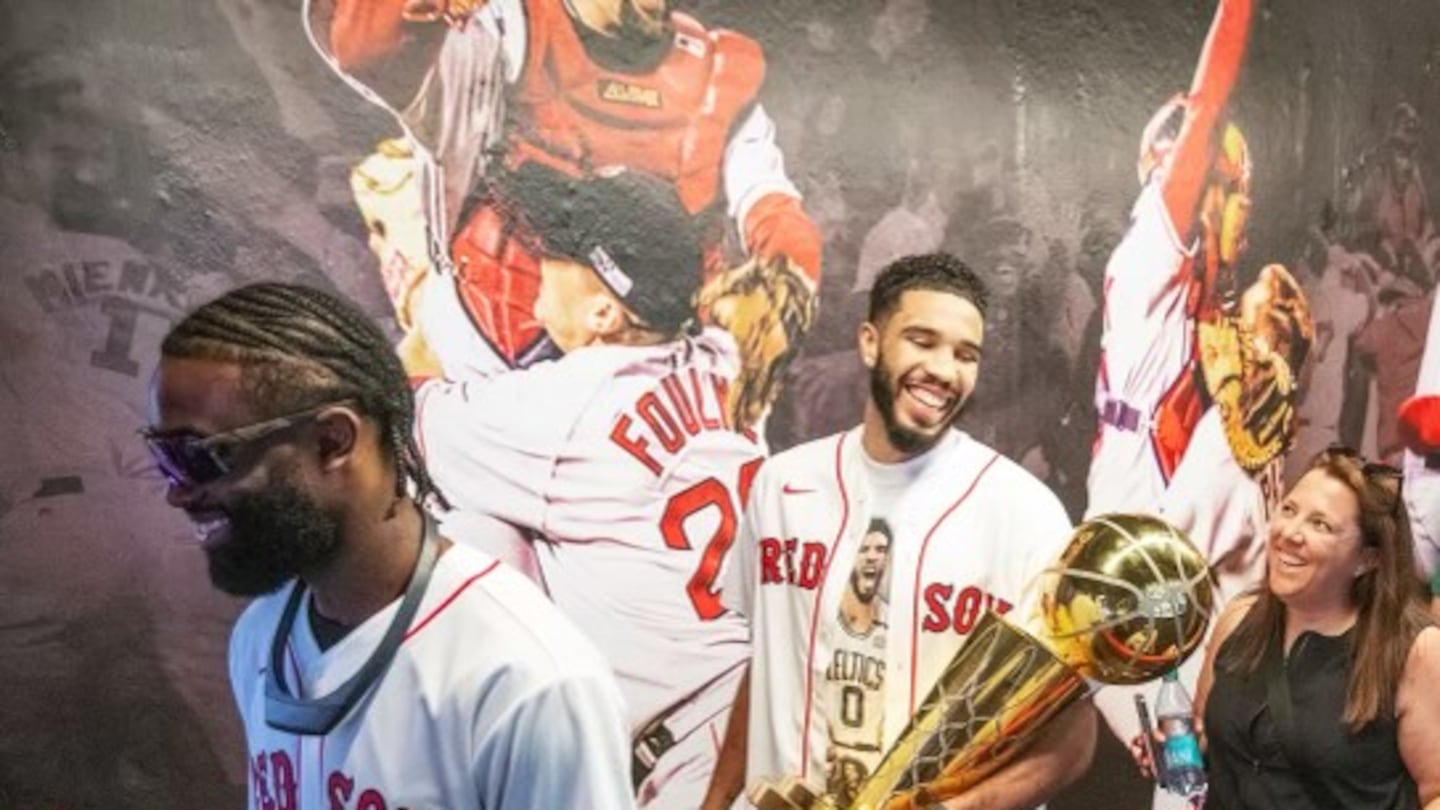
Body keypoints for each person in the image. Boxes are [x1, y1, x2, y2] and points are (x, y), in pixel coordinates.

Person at [145, 282, 635, 809]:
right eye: (162, 457)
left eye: (197, 457)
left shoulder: (527, 679)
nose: (177, 491)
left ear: (333, 442)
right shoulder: (261, 637)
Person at [411, 164, 759, 808]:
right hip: (753, 720)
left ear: (603, 309)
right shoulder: (718, 358)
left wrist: (417, 296)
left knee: (463, 534)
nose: (536, 257)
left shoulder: (567, 407)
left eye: (557, 251)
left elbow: (404, 415)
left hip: (695, 771)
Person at [305, 0, 821, 428]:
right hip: (488, 370)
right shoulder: (504, 32)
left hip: (647, 393)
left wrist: (784, 284)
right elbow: (365, 48)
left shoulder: (718, 74)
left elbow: (772, 204)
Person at [703, 253, 1096, 810]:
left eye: (965, 355)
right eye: (922, 340)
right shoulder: (781, 486)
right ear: (870, 342)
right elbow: (767, 667)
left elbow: (1073, 737)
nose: (943, 369)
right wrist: (714, 802)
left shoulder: (1025, 512)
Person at [1084, 0, 1315, 793]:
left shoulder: (1210, 308)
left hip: (1168, 572)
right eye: (1237, 192)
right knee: (1186, 772)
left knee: (1211, 761)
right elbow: (1210, 96)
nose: (1245, 217)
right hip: (1127, 571)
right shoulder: (1155, 243)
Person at [1132, 446, 1440, 809]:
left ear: (1366, 559)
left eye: (1320, 524)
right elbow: (1210, 744)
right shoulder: (1239, 619)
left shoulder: (1414, 652)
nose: (1290, 533)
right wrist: (1176, 753)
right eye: (1289, 510)